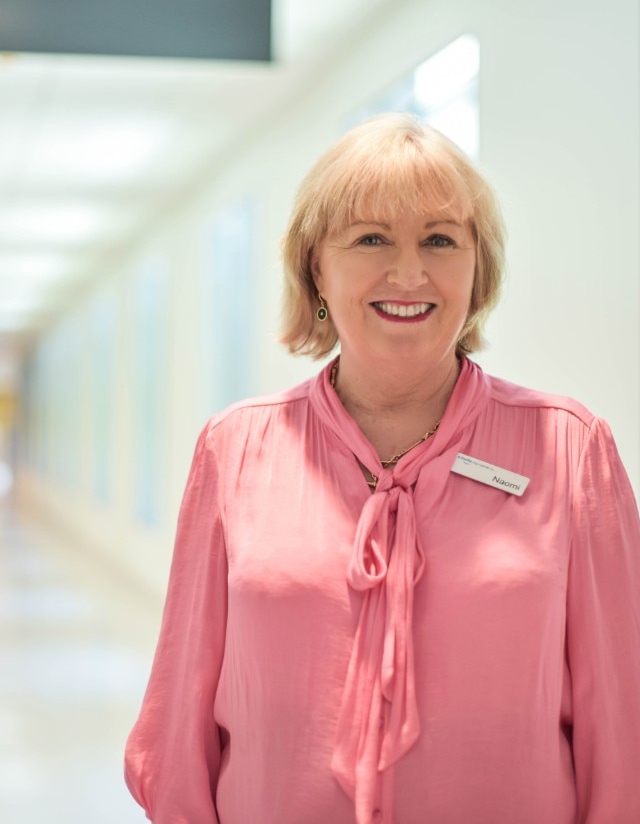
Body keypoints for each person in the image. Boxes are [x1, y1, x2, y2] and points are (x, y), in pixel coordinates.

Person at [124, 113, 640, 823]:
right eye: (371, 238)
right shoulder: (234, 447)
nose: (408, 273)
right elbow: (178, 726)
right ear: (317, 268)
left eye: (440, 240)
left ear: (477, 269)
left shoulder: (571, 447)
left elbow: (622, 728)